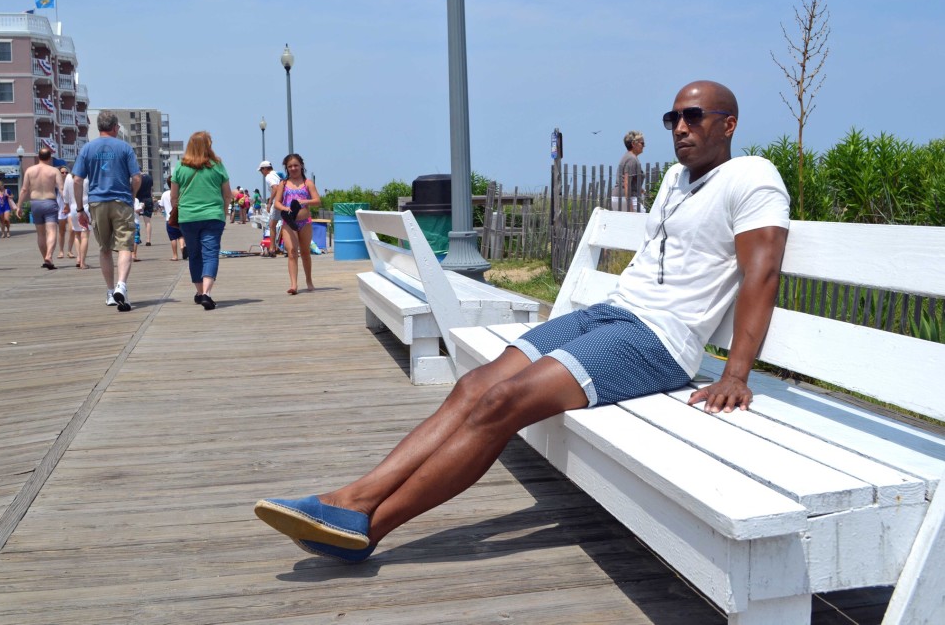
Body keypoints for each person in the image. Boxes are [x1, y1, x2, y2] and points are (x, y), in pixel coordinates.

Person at [253, 80, 790, 563]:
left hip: (658, 341)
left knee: (501, 404)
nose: (680, 128)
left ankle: (368, 527)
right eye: (672, 118)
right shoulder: (674, 178)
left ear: (729, 124)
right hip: (612, 314)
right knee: (475, 384)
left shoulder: (752, 177)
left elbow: (761, 275)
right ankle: (352, 499)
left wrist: (736, 373)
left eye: (694, 116)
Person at [72, 109, 142, 311]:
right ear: (114, 127)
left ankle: (111, 292)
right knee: (125, 246)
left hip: (97, 202)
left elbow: (77, 179)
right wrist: (132, 195)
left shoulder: (87, 149)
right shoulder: (125, 148)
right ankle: (122, 284)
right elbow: (136, 177)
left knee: (104, 248)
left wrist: (79, 209)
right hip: (121, 201)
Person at [171, 130, 233, 310]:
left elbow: (174, 197)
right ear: (207, 146)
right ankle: (206, 293)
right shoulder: (217, 166)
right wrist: (223, 212)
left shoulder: (181, 167)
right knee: (211, 253)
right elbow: (227, 194)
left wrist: (181, 210)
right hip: (213, 216)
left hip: (188, 217)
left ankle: (199, 292)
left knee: (195, 253)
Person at [273, 153, 321, 295]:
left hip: (305, 222)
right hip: (289, 221)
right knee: (292, 252)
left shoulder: (308, 183)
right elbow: (277, 202)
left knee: (305, 252)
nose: (293, 168)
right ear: (286, 168)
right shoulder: (283, 183)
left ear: (301, 166)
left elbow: (317, 201)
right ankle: (293, 284)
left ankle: (309, 280)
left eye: (295, 165)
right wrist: (284, 208)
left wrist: (305, 201)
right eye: (290, 166)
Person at [15, 147, 64, 270]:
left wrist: (19, 206)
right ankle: (49, 256)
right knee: (52, 231)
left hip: (35, 203)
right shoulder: (54, 171)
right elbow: (61, 189)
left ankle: (45, 259)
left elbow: (24, 189)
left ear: (38, 157)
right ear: (49, 157)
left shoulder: (30, 170)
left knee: (40, 234)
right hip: (49, 202)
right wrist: (67, 203)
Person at [611, 130, 646, 212]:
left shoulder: (627, 157)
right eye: (642, 143)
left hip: (618, 197)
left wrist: (642, 191)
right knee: (643, 218)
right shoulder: (632, 159)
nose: (644, 146)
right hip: (625, 198)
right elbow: (627, 183)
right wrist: (630, 208)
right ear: (634, 144)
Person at [63, 171, 91, 269]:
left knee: (77, 234)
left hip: (73, 208)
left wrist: (66, 205)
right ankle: (83, 262)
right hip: (86, 207)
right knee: (85, 235)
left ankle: (78, 258)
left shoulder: (69, 177)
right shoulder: (87, 175)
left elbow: (65, 193)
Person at [259, 161, 282, 257]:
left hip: (278, 202)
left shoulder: (269, 176)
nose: (261, 172)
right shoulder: (277, 174)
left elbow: (275, 188)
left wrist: (270, 202)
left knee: (272, 225)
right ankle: (279, 247)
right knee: (284, 225)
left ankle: (272, 248)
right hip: (285, 201)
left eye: (261, 170)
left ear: (265, 169)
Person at [159, 177, 185, 261]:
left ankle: (175, 255)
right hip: (180, 218)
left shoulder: (165, 194)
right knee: (181, 236)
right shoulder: (180, 193)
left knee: (173, 238)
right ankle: (182, 248)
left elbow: (161, 205)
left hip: (169, 219)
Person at [56, 167, 72, 258]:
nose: (65, 174)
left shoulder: (71, 182)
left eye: (66, 172)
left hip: (71, 209)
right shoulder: (56, 184)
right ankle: (61, 251)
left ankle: (69, 250)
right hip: (61, 209)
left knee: (72, 229)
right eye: (62, 172)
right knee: (62, 231)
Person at [136, 170, 155, 246]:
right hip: (148, 199)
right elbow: (150, 189)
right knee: (147, 221)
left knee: (136, 220)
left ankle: (137, 238)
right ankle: (148, 240)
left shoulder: (137, 178)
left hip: (138, 200)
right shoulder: (149, 177)